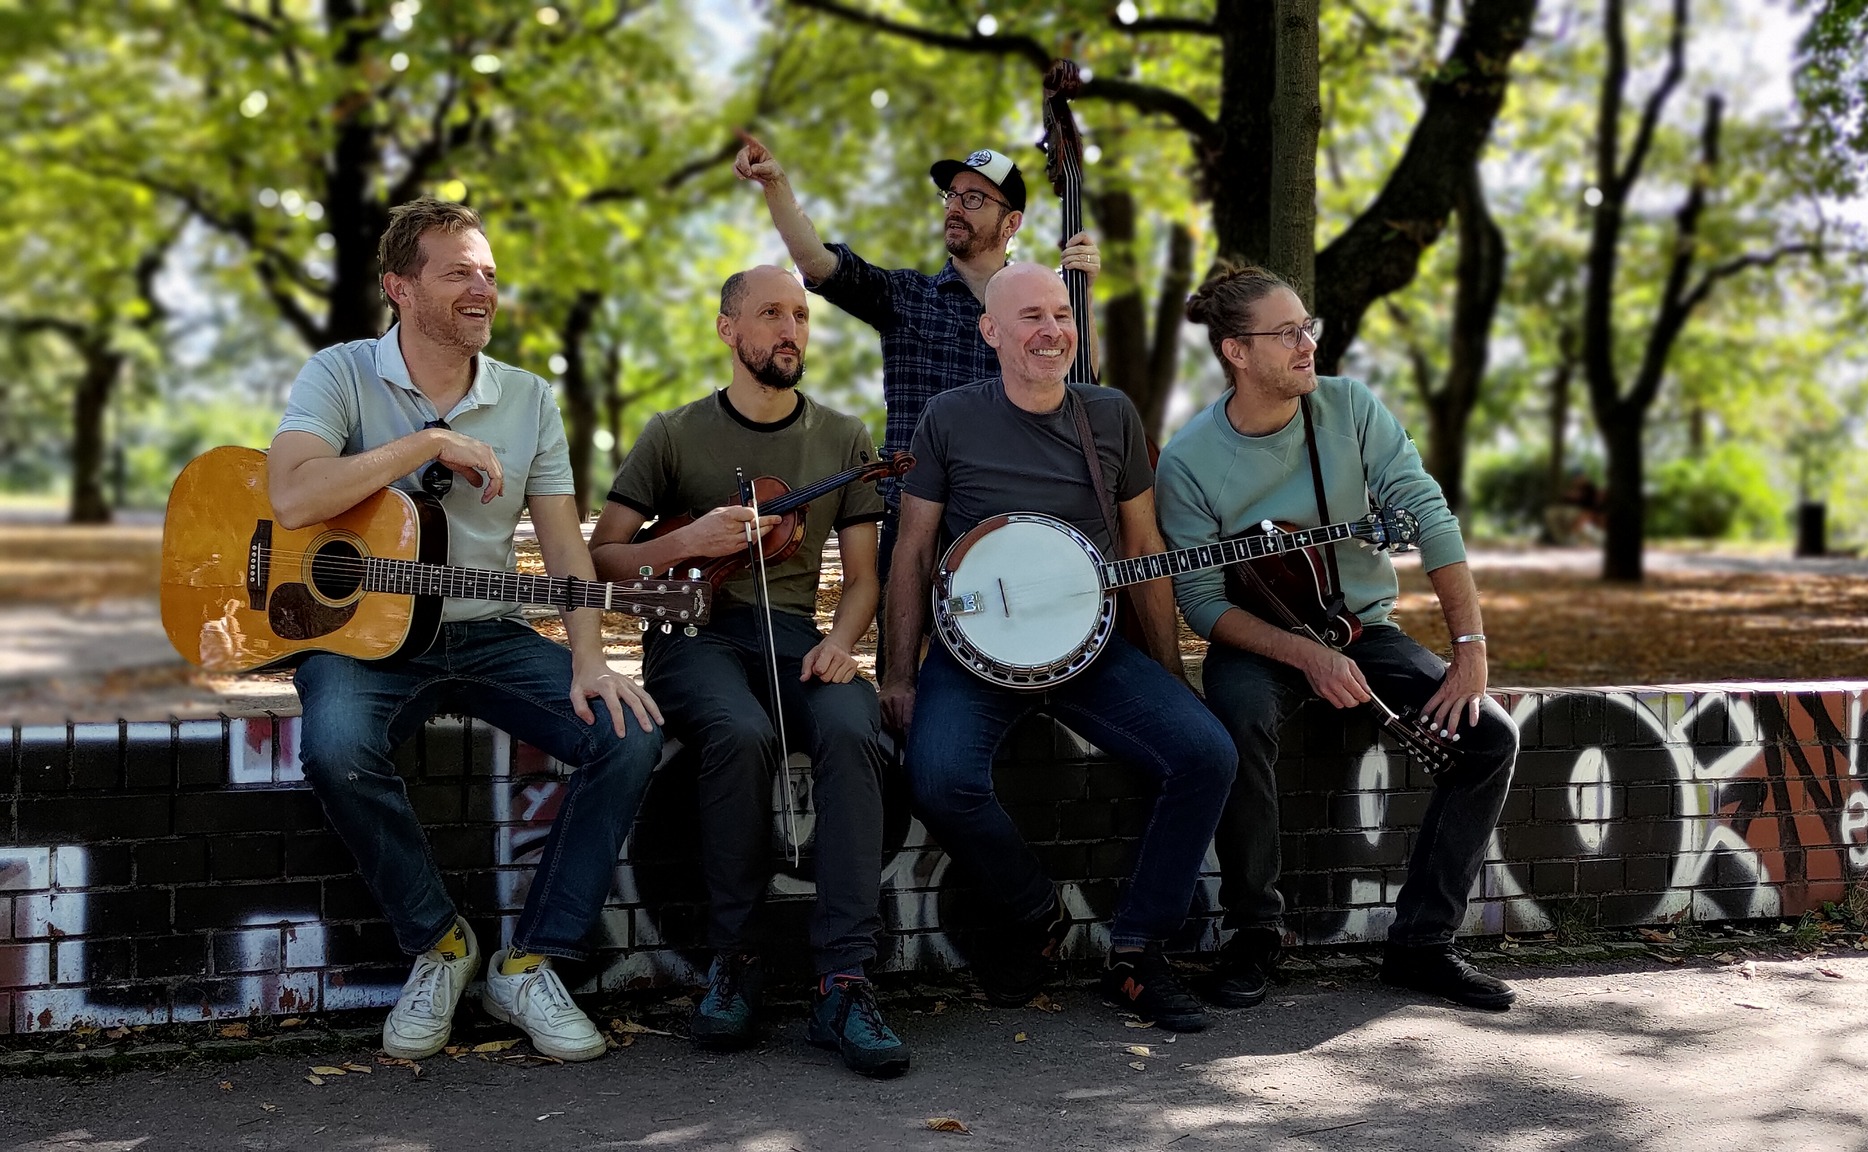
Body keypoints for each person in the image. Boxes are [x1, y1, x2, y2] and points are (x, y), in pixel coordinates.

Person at [268, 198, 665, 1062]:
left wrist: (591, 660)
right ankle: (441, 944)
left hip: (485, 631)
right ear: (400, 288)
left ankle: (528, 963)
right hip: (362, 642)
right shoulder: (338, 374)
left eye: (487, 271)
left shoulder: (527, 397)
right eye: (458, 273)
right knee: (335, 746)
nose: (482, 288)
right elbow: (294, 496)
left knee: (626, 737)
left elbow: (564, 541)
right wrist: (422, 447)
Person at [880, 262, 1237, 1033]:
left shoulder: (1108, 416)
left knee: (1206, 754)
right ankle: (1032, 910)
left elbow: (1142, 544)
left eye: (1063, 317)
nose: (1052, 332)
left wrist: (1171, 674)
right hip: (973, 654)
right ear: (992, 331)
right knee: (938, 778)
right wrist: (898, 675)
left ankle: (1138, 952)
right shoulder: (948, 417)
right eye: (1032, 317)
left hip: (1093, 646)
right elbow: (910, 551)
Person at [1155, 264, 1519, 1012]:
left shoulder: (1349, 408)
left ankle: (1422, 943)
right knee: (1237, 723)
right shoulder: (1189, 460)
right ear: (1236, 352)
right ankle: (1256, 931)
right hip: (1258, 643)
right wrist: (1306, 656)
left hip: (1363, 628)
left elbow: (1429, 513)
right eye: (1286, 333)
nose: (1306, 344)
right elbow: (1199, 602)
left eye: (1307, 327)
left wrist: (1470, 650)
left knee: (1490, 739)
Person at [587, 266, 905, 1079]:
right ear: (729, 330)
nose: (790, 328)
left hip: (797, 635)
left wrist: (843, 642)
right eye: (770, 313)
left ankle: (844, 977)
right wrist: (684, 544)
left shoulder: (843, 438)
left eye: (800, 314)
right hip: (693, 633)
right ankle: (738, 959)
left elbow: (865, 576)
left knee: (850, 728)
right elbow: (601, 559)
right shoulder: (674, 433)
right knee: (738, 732)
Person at [733, 132, 1099, 571]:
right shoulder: (906, 296)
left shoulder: (1040, 314)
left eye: (976, 198)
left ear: (1011, 223)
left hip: (1006, 523)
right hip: (913, 520)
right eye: (953, 195)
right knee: (908, 641)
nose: (956, 206)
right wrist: (777, 187)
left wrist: (1083, 299)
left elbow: (1081, 392)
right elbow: (817, 263)